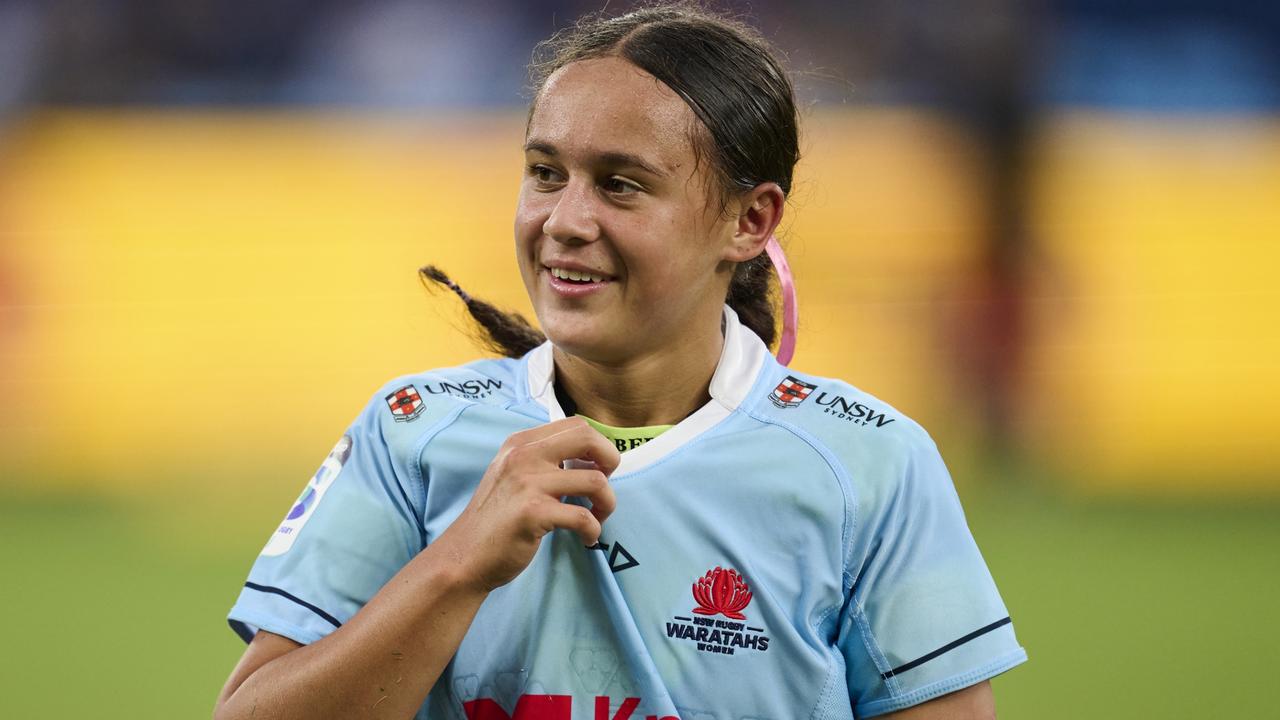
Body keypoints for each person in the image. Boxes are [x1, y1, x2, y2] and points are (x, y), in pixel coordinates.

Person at [214, 4, 1026, 719]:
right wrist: (456, 565)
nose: (564, 220)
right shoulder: (411, 435)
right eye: (545, 173)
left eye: (621, 184)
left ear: (749, 221)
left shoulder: (870, 464)